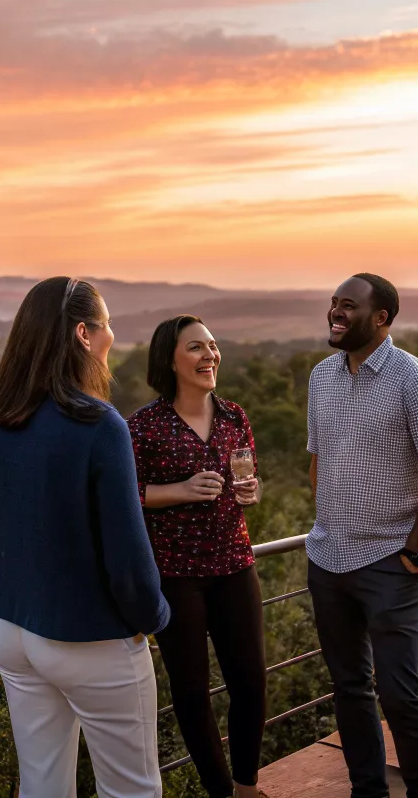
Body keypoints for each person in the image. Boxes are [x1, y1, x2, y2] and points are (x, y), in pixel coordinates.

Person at [0, 277, 169, 798]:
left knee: (42, 785)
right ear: (83, 333)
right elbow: (128, 557)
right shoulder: (100, 425)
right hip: (88, 636)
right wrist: (152, 618)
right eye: (105, 325)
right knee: (132, 790)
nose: (111, 336)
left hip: (12, 632)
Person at [306, 273, 418, 798]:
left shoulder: (417, 380)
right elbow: (318, 460)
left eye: (348, 306)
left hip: (390, 563)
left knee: (400, 694)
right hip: (326, 560)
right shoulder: (320, 378)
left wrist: (414, 553)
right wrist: (328, 520)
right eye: (333, 303)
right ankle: (367, 789)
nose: (335, 312)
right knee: (348, 689)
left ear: (382, 318)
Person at [128, 316, 266, 798]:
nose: (210, 354)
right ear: (170, 359)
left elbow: (250, 478)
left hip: (235, 563)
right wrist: (180, 490)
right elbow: (127, 494)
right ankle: (219, 792)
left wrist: (251, 491)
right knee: (191, 693)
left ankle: (247, 784)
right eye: (195, 347)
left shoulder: (234, 416)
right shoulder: (143, 426)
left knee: (250, 681)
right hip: (176, 575)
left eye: (212, 345)